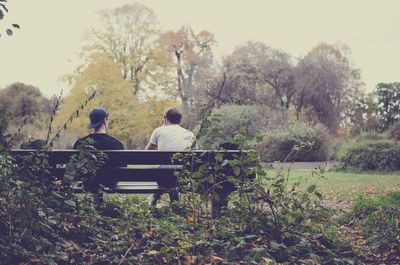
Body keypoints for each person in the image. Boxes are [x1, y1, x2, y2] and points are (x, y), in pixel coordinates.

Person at [145, 108, 195, 206]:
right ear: (179, 120)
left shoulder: (159, 131)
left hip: (163, 176)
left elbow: (147, 152)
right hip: (182, 176)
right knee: (173, 175)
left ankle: (154, 200)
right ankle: (174, 205)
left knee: (165, 170)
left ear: (166, 119)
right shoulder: (189, 134)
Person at [73, 107, 124, 191]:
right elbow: (122, 168)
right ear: (105, 120)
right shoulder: (116, 144)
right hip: (109, 183)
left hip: (87, 182)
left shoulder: (80, 143)